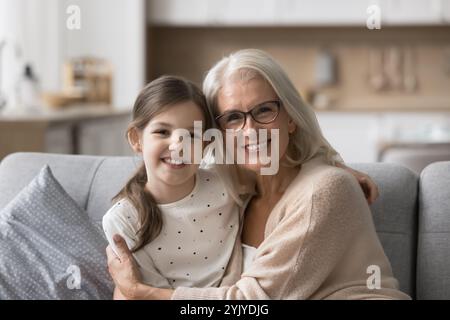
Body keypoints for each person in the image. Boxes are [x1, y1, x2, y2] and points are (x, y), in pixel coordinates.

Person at [106, 49, 410, 299]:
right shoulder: (235, 190)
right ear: (218, 133)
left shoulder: (323, 190)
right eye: (233, 117)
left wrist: (140, 292)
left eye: (264, 111)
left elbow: (248, 303)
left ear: (290, 117)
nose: (250, 131)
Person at [102, 75, 241, 299]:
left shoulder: (227, 186)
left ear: (205, 145)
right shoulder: (122, 220)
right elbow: (147, 294)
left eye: (192, 134)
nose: (178, 145)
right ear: (136, 139)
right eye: (162, 132)